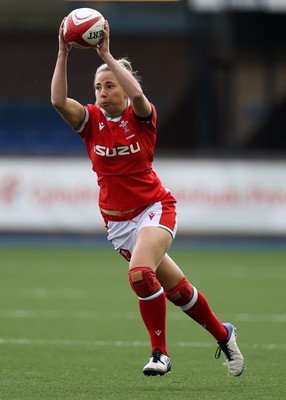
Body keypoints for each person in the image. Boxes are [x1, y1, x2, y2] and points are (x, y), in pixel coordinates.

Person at [51, 18, 245, 377]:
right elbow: (59, 100)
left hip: (154, 209)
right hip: (118, 222)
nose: (103, 91)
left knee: (140, 274)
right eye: (98, 86)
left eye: (110, 85)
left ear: (124, 90)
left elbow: (139, 96)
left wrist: (107, 56)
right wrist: (63, 52)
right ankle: (224, 333)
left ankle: (160, 354)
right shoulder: (90, 121)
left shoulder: (141, 117)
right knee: (177, 290)